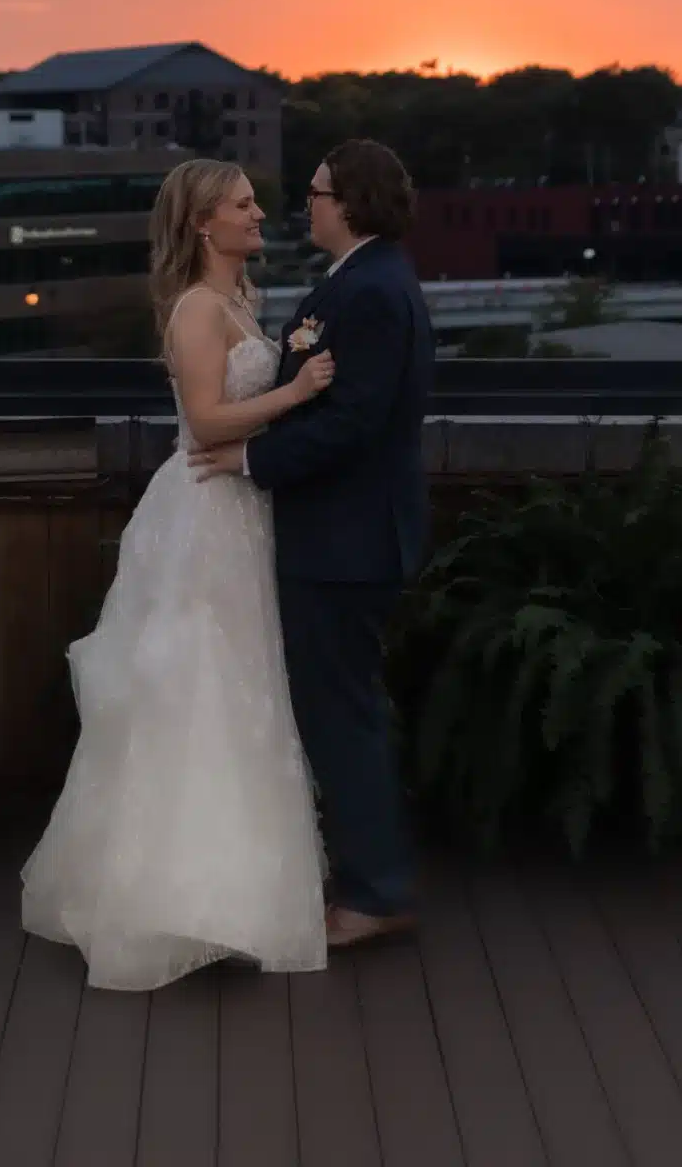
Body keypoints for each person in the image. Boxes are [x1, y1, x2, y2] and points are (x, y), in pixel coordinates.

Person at [20, 157, 334, 991]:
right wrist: (296, 391)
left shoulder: (239, 302)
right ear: (203, 223)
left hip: (239, 508)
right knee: (197, 690)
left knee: (242, 690)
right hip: (203, 515)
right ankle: (175, 896)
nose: (259, 213)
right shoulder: (198, 308)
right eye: (242, 204)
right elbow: (203, 422)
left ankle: (230, 893)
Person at [189, 136, 433, 947]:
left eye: (321, 192)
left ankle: (373, 893)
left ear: (354, 202)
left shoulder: (368, 291)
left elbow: (355, 422)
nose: (307, 204)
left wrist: (251, 457)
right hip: (341, 538)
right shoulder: (361, 281)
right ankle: (365, 877)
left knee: (342, 716)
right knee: (341, 711)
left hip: (345, 541)